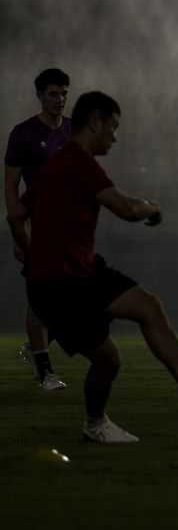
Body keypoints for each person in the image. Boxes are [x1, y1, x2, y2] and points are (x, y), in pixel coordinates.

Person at [9, 91, 178, 444]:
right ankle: (95, 424)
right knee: (109, 360)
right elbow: (126, 209)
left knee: (148, 306)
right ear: (95, 123)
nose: (115, 137)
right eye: (113, 128)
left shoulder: (57, 162)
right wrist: (151, 207)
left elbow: (16, 213)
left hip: (81, 271)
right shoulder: (78, 161)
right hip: (62, 284)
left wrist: (29, 252)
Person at [4, 68, 72, 390]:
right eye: (53, 94)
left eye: (63, 94)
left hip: (70, 227)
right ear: (40, 96)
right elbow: (11, 184)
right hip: (37, 225)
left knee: (72, 298)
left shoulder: (72, 131)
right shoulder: (23, 133)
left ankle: (36, 349)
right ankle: (45, 373)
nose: (60, 100)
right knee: (39, 297)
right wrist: (19, 229)